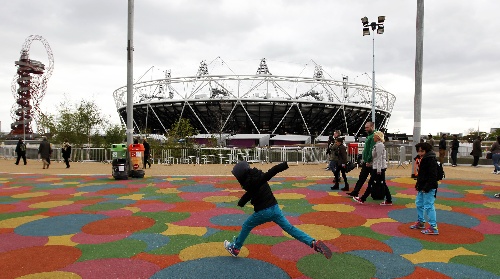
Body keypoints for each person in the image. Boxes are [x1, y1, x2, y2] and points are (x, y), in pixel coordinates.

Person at [223, 161, 332, 259]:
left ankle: (235, 248)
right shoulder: (258, 177)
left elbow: (271, 173)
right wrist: (241, 202)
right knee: (290, 228)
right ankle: (313, 242)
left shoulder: (251, 183)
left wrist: (285, 165)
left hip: (263, 212)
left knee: (247, 225)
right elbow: (251, 192)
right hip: (275, 209)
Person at [353, 131, 392, 205]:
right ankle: (388, 200)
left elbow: (379, 158)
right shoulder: (378, 145)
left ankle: (363, 198)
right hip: (378, 167)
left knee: (372, 183)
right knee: (381, 183)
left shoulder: (379, 145)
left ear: (378, 137)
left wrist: (378, 169)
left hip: (378, 168)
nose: (373, 137)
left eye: (374, 136)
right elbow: (377, 158)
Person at [410, 142, 439, 235]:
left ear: (427, 150)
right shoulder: (422, 159)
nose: (420, 153)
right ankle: (421, 221)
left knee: (429, 206)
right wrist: (419, 185)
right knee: (419, 203)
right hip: (422, 186)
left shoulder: (430, 160)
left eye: (422, 151)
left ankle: (433, 227)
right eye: (418, 151)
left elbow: (433, 176)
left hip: (429, 186)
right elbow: (421, 174)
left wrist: (426, 187)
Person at [347, 122, 375, 197]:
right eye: (365, 127)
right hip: (366, 161)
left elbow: (371, 150)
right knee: (362, 177)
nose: (365, 129)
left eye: (367, 127)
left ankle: (380, 193)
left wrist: (368, 160)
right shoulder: (369, 136)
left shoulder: (373, 136)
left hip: (370, 162)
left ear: (372, 127)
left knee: (374, 179)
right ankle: (355, 191)